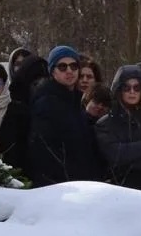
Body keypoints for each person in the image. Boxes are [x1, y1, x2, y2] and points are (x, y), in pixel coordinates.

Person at [27, 45, 103, 186]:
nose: (69, 71)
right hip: (61, 185)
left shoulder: (77, 100)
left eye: (74, 66)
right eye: (62, 67)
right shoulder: (46, 102)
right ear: (53, 71)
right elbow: (45, 151)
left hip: (85, 182)